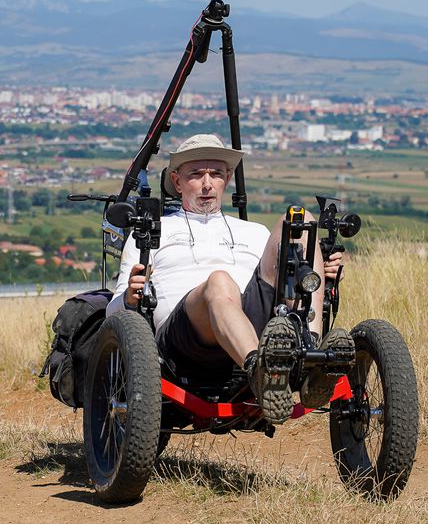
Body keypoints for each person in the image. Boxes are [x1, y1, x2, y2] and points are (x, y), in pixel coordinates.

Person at [105, 133, 352, 424]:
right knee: (220, 282)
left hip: (254, 323)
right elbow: (112, 314)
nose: (207, 183)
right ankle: (261, 374)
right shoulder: (151, 232)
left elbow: (285, 281)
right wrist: (129, 298)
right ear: (177, 181)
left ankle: (310, 355)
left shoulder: (254, 232)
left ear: (228, 178)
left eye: (216, 174)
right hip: (184, 338)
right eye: (196, 174)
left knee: (298, 220)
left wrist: (318, 271)